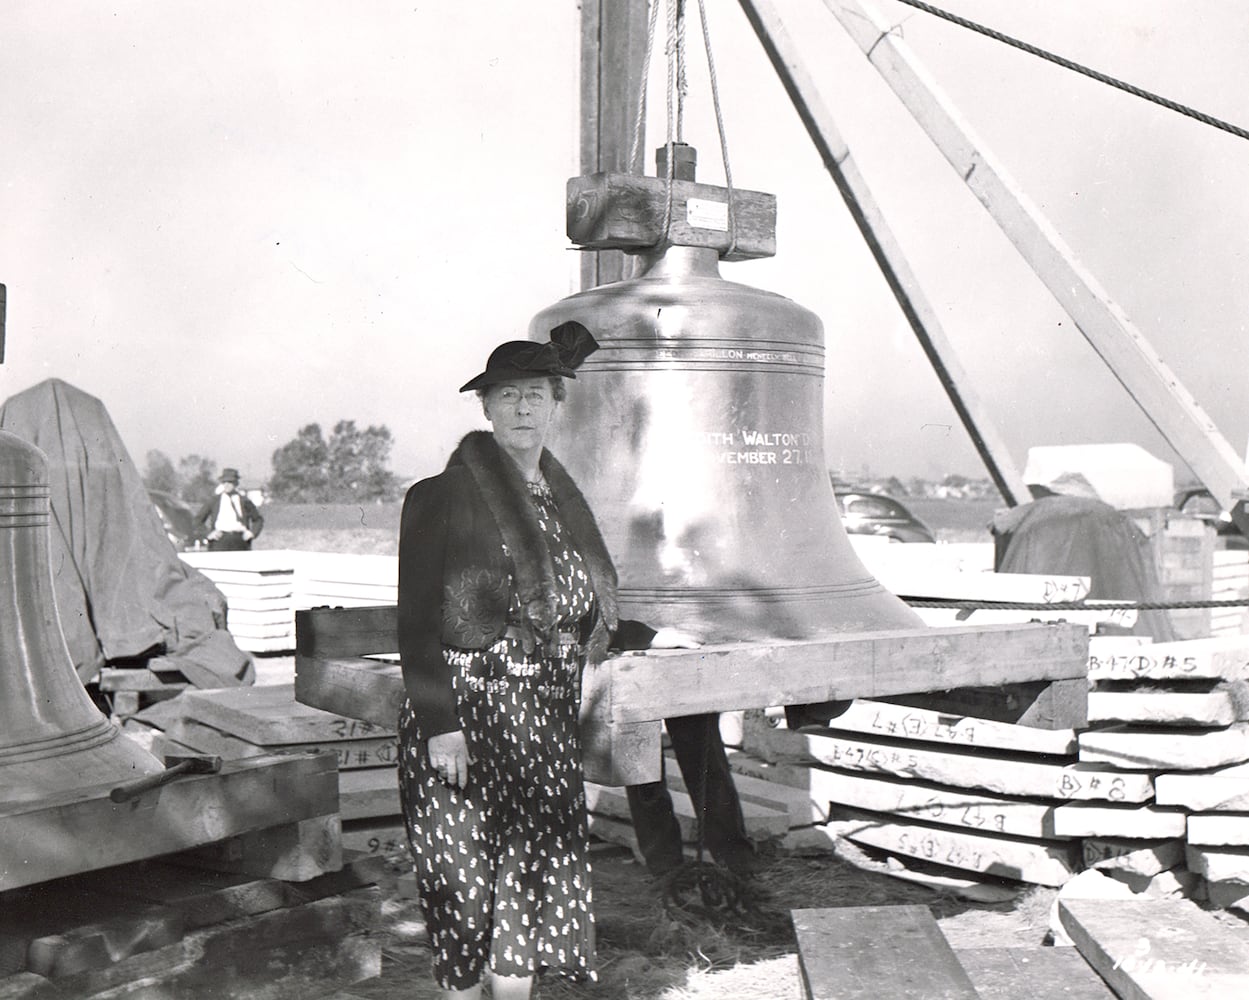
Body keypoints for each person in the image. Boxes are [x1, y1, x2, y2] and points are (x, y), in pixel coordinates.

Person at [396, 321, 698, 1000]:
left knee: (527, 890)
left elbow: (580, 610)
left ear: (558, 404)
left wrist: (648, 637)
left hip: (544, 722)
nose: (522, 408)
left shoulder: (563, 508)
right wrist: (441, 724)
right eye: (507, 396)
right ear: (485, 408)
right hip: (469, 717)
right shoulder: (439, 497)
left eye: (535, 394)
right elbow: (415, 621)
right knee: (465, 888)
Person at [194, 468, 263, 551]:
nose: (226, 485)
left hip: (240, 541)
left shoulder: (244, 501)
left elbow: (258, 519)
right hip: (219, 541)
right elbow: (198, 520)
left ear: (236, 483)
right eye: (224, 482)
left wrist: (252, 533)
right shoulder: (214, 501)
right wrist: (208, 534)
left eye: (230, 482)